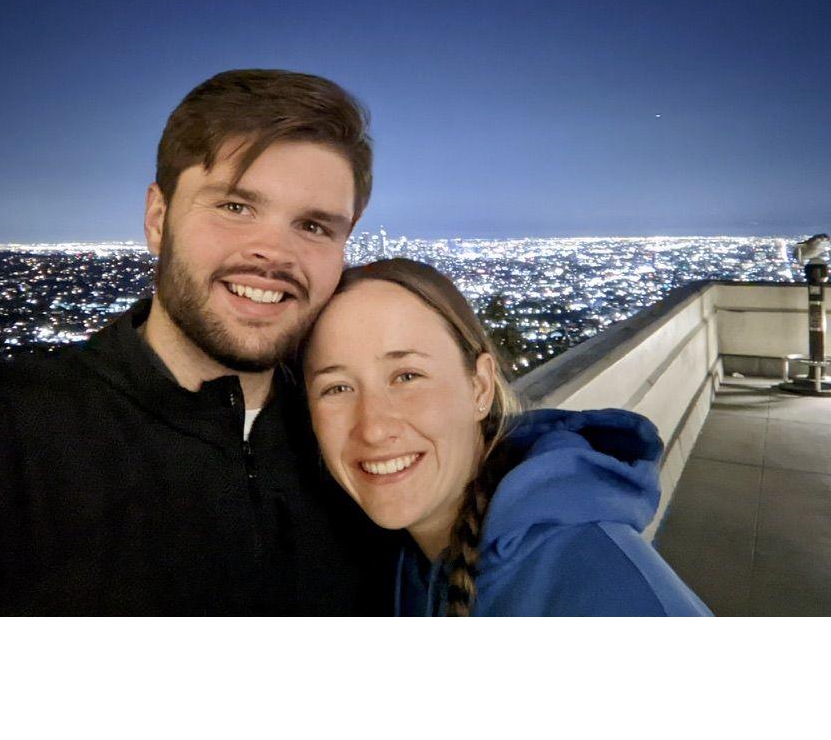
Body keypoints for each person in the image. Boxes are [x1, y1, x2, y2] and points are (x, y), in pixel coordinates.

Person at [0, 69, 395, 615]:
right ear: (158, 219)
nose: (276, 253)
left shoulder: (368, 453)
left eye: (314, 226)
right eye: (235, 206)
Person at [303, 258, 712, 616]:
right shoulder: (402, 563)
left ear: (480, 388)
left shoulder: (611, 597)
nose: (373, 428)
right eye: (337, 388)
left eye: (407, 377)